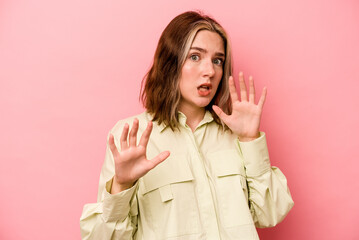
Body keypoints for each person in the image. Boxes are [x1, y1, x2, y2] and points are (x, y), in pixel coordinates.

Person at [80, 11, 294, 240]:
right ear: (170, 62)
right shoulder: (133, 136)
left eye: (217, 60)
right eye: (195, 56)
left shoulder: (236, 135)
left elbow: (271, 213)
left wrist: (251, 140)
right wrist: (121, 186)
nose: (210, 71)